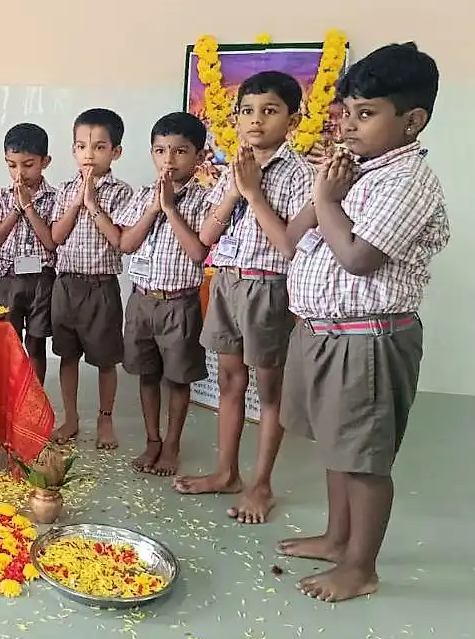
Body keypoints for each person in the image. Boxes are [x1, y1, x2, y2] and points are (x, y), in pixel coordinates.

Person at [277, 42, 448, 602]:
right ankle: (336, 537)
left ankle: (360, 567)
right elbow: (299, 237)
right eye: (346, 112)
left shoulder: (407, 179)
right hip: (323, 333)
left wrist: (327, 197)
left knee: (365, 459)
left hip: (368, 341)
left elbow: (357, 257)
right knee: (335, 445)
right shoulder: (360, 170)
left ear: (411, 121)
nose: (348, 125)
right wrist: (327, 192)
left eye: (367, 114)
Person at [175, 70, 312, 525]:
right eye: (248, 111)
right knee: (230, 381)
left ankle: (262, 484)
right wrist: (234, 189)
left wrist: (252, 193)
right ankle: (226, 472)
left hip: (268, 287)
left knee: (270, 391)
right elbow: (207, 234)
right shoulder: (234, 168)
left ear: (292, 120)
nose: (256, 121)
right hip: (227, 281)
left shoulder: (299, 174)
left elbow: (289, 245)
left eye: (270, 111)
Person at [116, 112, 212, 476]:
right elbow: (126, 243)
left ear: (199, 157)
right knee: (146, 374)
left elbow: (198, 252)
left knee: (177, 377)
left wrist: (170, 209)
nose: (169, 161)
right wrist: (154, 208)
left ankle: (171, 445)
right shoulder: (143, 194)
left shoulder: (204, 200)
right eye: (160, 151)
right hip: (142, 299)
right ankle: (152, 440)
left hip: (180, 304)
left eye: (180, 152)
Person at [48, 108, 134, 450]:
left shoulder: (123, 192)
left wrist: (93, 203)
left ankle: (105, 419)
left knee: (105, 359)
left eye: (99, 147)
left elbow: (119, 240)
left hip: (101, 288)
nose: (88, 154)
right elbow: (55, 236)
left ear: (116, 152)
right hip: (67, 284)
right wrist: (76, 202)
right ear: (72, 150)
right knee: (67, 356)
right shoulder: (64, 189)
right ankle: (70, 417)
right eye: (81, 146)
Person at [0, 122, 57, 384]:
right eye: (11, 164)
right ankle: (12, 395)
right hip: (9, 277)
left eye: (27, 164)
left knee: (36, 342)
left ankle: (35, 397)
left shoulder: (55, 197)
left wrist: (28, 206)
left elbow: (51, 242)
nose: (19, 173)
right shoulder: (2, 196)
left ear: (45, 161)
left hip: (42, 279)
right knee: (9, 340)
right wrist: (16, 209)